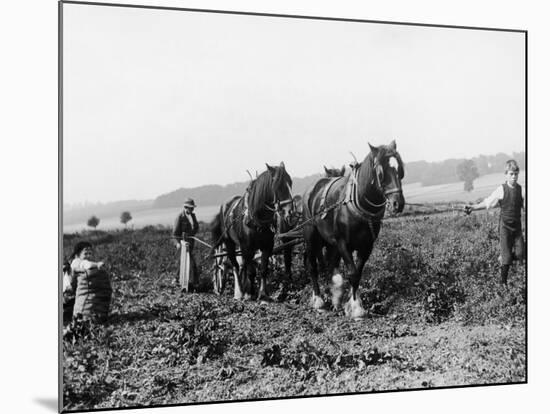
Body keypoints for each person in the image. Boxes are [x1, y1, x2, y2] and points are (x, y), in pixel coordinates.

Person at [464, 160, 525, 286]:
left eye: (516, 174)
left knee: (520, 254)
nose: (514, 177)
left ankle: (504, 257)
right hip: (505, 228)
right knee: (507, 258)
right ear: (506, 174)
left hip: (517, 227)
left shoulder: (522, 190)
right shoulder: (501, 190)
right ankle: (503, 285)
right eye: (511, 174)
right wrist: (473, 207)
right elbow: (487, 202)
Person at [69, 241, 112, 322]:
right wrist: (98, 264)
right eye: (85, 253)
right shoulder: (78, 262)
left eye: (90, 253)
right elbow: (87, 265)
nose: (88, 256)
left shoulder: (81, 263)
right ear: (77, 255)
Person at [172, 198, 200, 292]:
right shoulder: (180, 217)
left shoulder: (193, 216)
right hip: (183, 245)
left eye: (193, 208)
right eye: (190, 208)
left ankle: (192, 282)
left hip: (190, 244)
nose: (192, 210)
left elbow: (196, 227)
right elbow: (175, 234)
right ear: (185, 207)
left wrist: (191, 235)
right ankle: (178, 280)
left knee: (189, 263)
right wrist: (177, 243)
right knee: (185, 263)